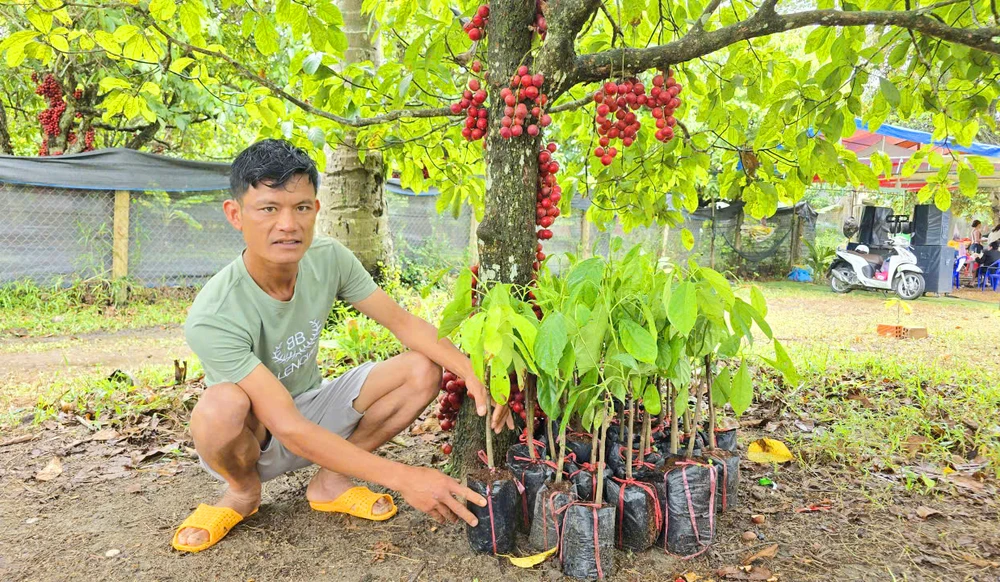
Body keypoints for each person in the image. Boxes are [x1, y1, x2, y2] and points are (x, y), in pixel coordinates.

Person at [171, 139, 513, 553]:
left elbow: (403, 323)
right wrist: (404, 477)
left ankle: (330, 481)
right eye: (268, 209)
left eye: (301, 207)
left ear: (316, 210)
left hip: (312, 406)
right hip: (253, 437)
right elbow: (288, 427)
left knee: (423, 368)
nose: (287, 224)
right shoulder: (213, 313)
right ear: (235, 214)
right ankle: (243, 492)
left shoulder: (328, 257)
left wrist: (471, 371)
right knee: (219, 405)